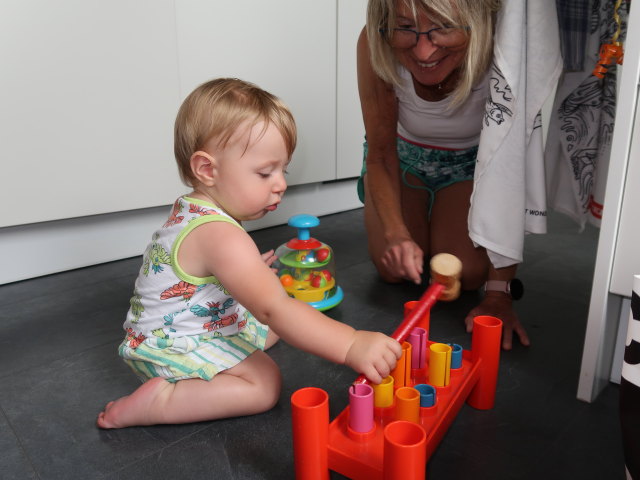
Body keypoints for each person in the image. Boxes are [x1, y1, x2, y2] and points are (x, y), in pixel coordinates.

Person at [97, 78, 402, 429]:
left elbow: (199, 269)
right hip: (170, 347)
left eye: (282, 170)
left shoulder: (196, 209)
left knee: (270, 328)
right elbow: (276, 309)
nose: (281, 184)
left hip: (178, 325)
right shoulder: (221, 235)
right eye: (264, 172)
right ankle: (159, 402)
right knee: (263, 384)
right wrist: (351, 344)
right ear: (207, 169)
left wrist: (247, 272)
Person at [357, 0, 530, 350]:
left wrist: (499, 294)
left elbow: (513, 166)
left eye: (444, 28)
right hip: (402, 160)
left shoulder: (506, 45)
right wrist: (395, 234)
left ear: (477, 22)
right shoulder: (374, 41)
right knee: (396, 269)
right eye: (405, 28)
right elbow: (380, 153)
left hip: (473, 166)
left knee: (465, 275)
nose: (423, 50)